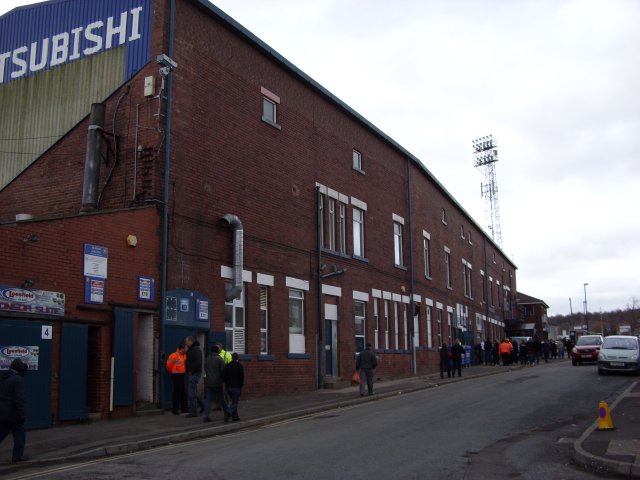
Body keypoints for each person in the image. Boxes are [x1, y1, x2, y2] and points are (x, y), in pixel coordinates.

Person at [0, 358, 28, 463]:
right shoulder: (18, 380)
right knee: (20, 434)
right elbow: (19, 399)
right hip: (14, 414)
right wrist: (22, 414)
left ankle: (17, 456)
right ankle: (17, 456)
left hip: (3, 413)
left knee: (2, 432)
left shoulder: (3, 378)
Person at [202, 345, 229, 422]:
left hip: (209, 382)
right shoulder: (220, 359)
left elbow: (205, 369)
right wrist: (224, 380)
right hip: (218, 383)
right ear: (218, 351)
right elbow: (223, 371)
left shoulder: (207, 359)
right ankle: (227, 412)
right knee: (222, 399)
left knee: (208, 400)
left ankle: (206, 415)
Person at [166, 342, 187, 415]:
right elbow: (168, 366)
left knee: (184, 392)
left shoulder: (185, 355)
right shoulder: (173, 355)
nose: (187, 349)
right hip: (176, 376)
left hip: (183, 375)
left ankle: (184, 408)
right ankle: (175, 409)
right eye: (186, 348)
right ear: (182, 348)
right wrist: (173, 371)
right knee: (177, 393)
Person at [184, 336, 203, 417]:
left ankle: (193, 411)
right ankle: (204, 405)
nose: (185, 343)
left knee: (191, 392)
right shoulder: (191, 349)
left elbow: (197, 363)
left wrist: (192, 371)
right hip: (190, 373)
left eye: (186, 341)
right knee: (191, 391)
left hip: (193, 373)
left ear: (190, 341)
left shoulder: (196, 349)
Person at [222, 352, 244, 421]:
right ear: (237, 358)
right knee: (235, 403)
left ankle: (235, 417)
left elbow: (223, 376)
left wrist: (226, 382)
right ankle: (228, 411)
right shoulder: (239, 365)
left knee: (233, 402)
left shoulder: (227, 365)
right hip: (236, 387)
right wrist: (241, 385)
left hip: (228, 387)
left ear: (232, 357)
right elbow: (241, 377)